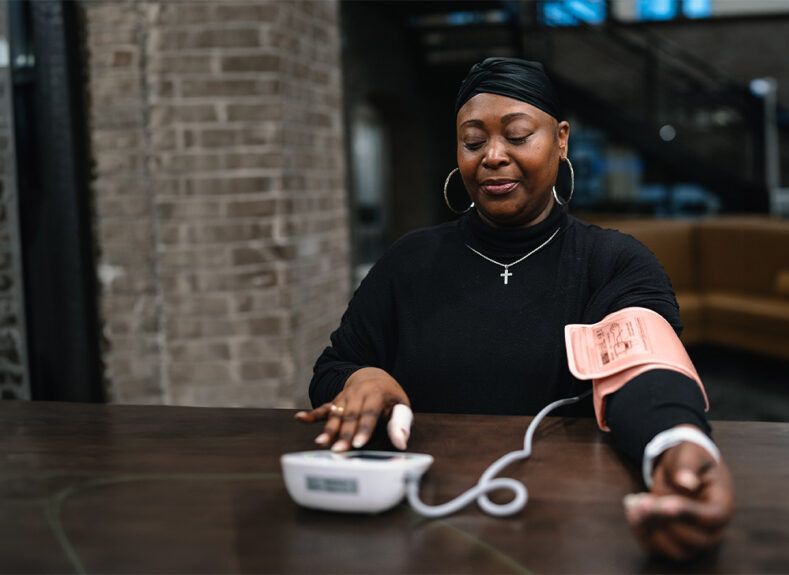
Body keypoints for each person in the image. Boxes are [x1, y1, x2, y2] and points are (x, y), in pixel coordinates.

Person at [295, 57, 734, 561]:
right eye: (474, 141)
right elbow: (333, 369)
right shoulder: (409, 261)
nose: (493, 157)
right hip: (423, 530)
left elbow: (645, 372)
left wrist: (678, 447)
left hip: (568, 525)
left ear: (561, 139)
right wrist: (364, 378)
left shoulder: (615, 263)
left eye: (519, 135)